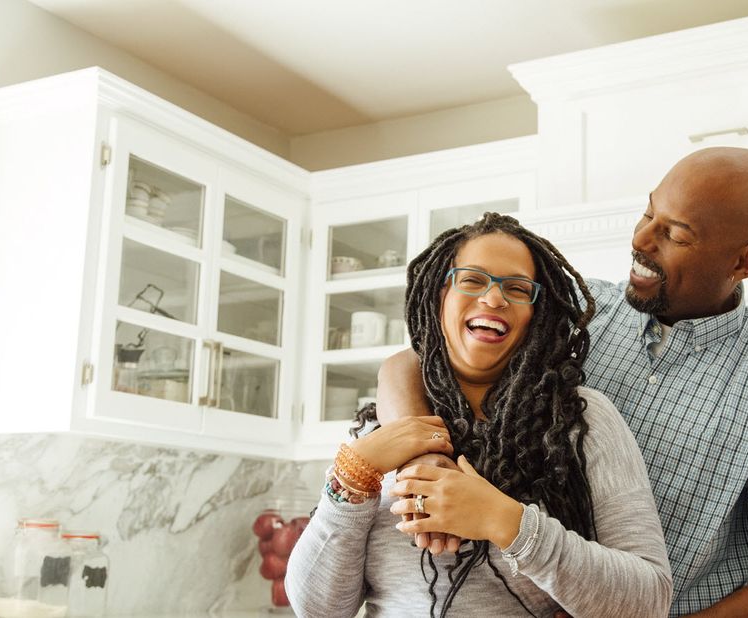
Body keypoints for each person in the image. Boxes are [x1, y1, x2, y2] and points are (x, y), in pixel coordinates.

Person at [376, 147, 748, 617]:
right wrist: (424, 460)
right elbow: (411, 362)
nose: (642, 241)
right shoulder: (578, 312)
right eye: (648, 214)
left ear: (745, 262)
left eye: (675, 234)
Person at [285, 213, 673, 617]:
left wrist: (506, 522)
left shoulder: (582, 420)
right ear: (439, 296)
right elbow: (318, 610)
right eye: (471, 280)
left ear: (536, 315)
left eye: (518, 288)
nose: (493, 299)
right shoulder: (379, 428)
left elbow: (648, 601)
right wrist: (352, 476)